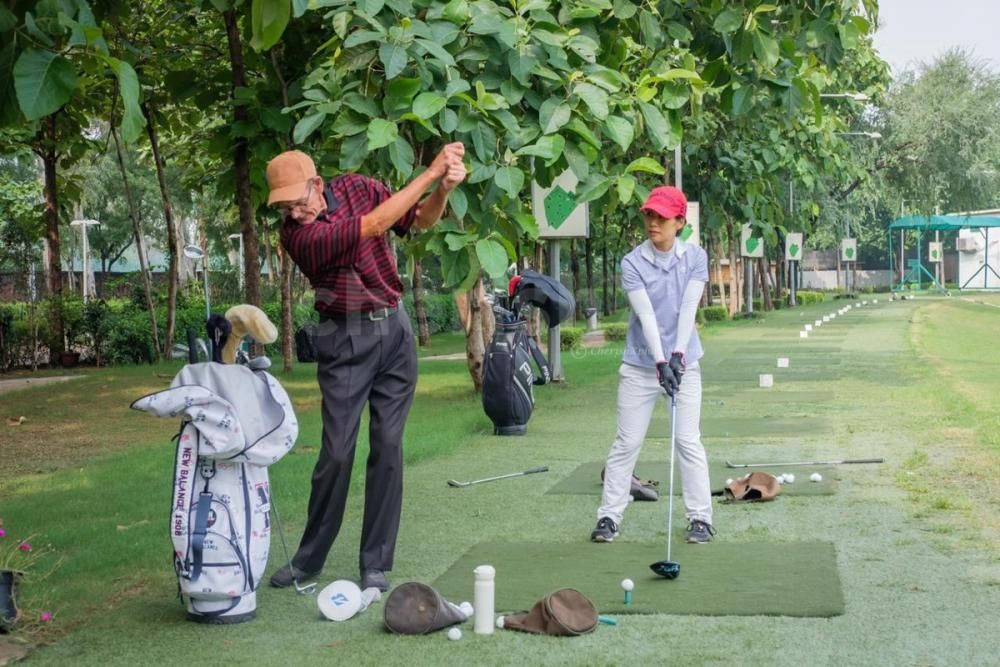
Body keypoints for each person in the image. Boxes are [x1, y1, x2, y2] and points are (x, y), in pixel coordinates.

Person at [266, 143, 466, 591]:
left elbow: (415, 221)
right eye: (284, 208)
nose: (294, 214)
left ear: (318, 184)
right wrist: (432, 171)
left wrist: (443, 191)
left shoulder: (358, 187)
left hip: (394, 332)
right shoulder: (297, 237)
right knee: (337, 452)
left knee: (388, 445)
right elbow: (375, 225)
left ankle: (375, 562)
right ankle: (309, 558)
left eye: (298, 203)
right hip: (344, 339)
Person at [591, 185, 715, 545]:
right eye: (649, 215)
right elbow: (645, 315)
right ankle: (609, 517)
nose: (652, 222)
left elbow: (687, 311)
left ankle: (701, 519)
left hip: (685, 362)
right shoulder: (632, 262)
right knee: (627, 442)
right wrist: (661, 361)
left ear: (679, 221)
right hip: (641, 366)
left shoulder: (695, 258)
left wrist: (677, 356)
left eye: (661, 217)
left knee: (688, 441)